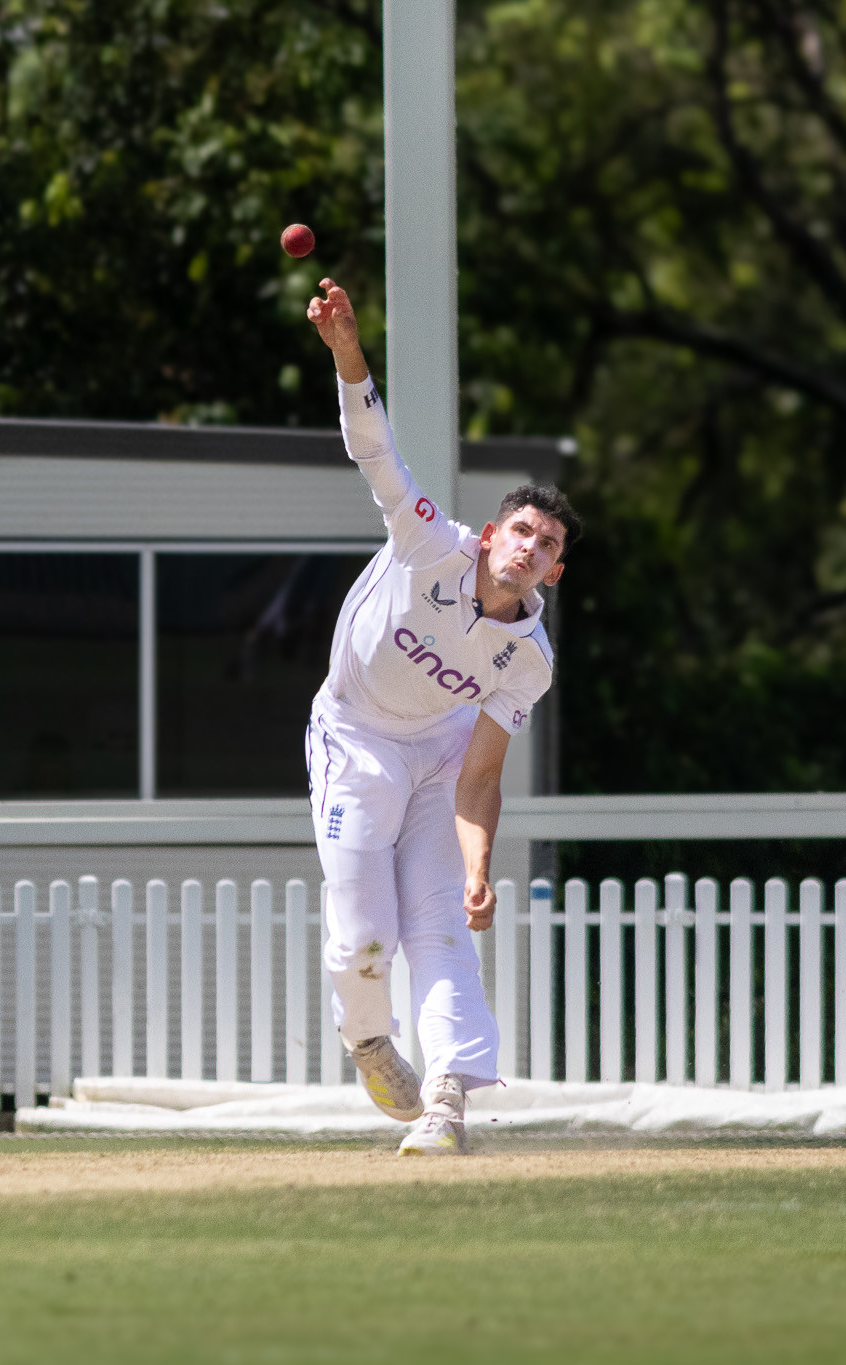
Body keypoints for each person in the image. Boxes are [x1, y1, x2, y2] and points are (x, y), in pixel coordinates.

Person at [303, 279, 578, 1154]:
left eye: (550, 545)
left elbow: (483, 772)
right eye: (523, 531)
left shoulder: (528, 658)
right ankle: (369, 1039)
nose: (531, 547)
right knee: (362, 939)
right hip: (354, 734)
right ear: (491, 535)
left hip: (440, 758)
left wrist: (478, 864)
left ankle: (449, 1102)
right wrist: (349, 355)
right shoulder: (428, 540)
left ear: (554, 573)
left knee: (442, 925)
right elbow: (375, 452)